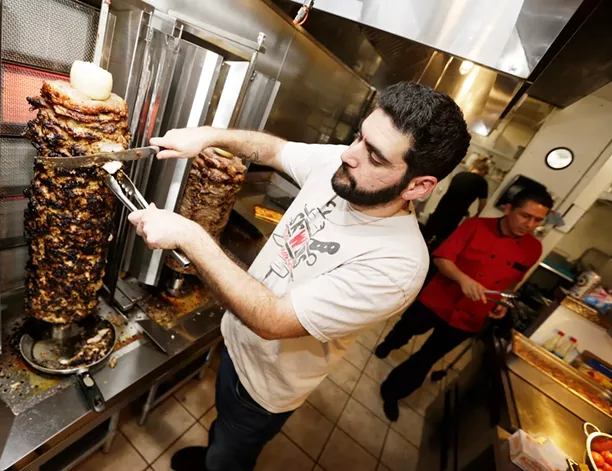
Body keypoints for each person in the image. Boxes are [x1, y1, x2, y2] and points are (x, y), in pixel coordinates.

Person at [128, 82, 471, 471]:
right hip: (235, 344)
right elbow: (273, 150)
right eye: (360, 137)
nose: (349, 154)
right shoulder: (343, 165)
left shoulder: (397, 266)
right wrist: (208, 136)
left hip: (264, 389)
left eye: (374, 155)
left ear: (418, 186)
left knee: (231, 452)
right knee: (221, 429)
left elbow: (272, 320)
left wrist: (188, 235)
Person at [375, 187, 554, 421]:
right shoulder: (476, 226)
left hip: (471, 314)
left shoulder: (533, 249)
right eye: (525, 216)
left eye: (538, 220)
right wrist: (463, 279)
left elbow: (512, 282)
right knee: (406, 329)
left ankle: (393, 392)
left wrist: (501, 302)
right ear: (509, 208)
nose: (530, 224)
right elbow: (441, 258)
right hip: (438, 299)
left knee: (427, 357)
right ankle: (390, 344)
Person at [423, 158, 489, 250]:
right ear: (483, 171)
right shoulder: (482, 182)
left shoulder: (459, 175)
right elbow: (483, 204)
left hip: (441, 209)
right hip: (454, 216)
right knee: (441, 243)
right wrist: (476, 216)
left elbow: (456, 195)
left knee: (426, 235)